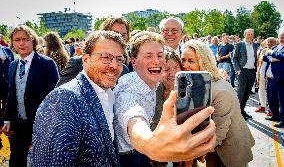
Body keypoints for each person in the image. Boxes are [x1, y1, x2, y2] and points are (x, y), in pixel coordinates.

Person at [31, 31, 216, 166]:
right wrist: (151, 145)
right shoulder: (64, 99)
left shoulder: (111, 90)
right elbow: (132, 113)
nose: (113, 65)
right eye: (105, 57)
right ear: (85, 60)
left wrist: (215, 76)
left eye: (119, 59)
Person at [114, 31, 216, 167]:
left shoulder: (154, 80)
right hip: (129, 157)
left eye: (159, 55)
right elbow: (133, 116)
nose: (156, 61)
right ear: (134, 61)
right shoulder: (126, 90)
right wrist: (151, 145)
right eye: (148, 56)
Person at [181, 40, 255, 167]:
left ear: (204, 61)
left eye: (191, 61)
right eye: (183, 60)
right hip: (213, 149)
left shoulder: (219, 91)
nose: (185, 65)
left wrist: (197, 153)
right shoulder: (197, 81)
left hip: (231, 150)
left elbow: (220, 131)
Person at [1, 25, 59, 167]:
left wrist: (52, 123)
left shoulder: (47, 64)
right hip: (18, 123)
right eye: (17, 40)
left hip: (41, 123)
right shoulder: (13, 65)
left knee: (42, 161)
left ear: (32, 40)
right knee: (16, 160)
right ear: (12, 43)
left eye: (25, 39)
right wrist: (7, 119)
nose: (21, 43)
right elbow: (11, 94)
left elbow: (55, 97)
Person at [56, 17, 131, 87]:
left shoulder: (124, 69)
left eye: (123, 35)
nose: (119, 38)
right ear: (103, 35)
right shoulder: (78, 63)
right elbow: (59, 94)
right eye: (114, 34)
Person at [150, 48, 182, 167]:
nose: (172, 73)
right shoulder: (153, 91)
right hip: (159, 146)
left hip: (183, 147)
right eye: (166, 69)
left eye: (176, 67)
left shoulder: (189, 91)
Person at [233, 28, 258, 120]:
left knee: (247, 93)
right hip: (242, 71)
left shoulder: (255, 45)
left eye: (252, 34)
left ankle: (242, 110)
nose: (250, 36)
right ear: (244, 35)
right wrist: (238, 69)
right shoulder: (240, 44)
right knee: (240, 93)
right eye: (248, 34)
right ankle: (237, 112)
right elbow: (234, 58)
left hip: (252, 71)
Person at [263, 31, 284, 128]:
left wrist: (272, 53)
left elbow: (282, 57)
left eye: (283, 37)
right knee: (272, 99)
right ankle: (275, 115)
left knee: (282, 100)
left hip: (280, 78)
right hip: (270, 78)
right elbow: (264, 57)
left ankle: (282, 120)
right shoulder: (275, 47)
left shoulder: (273, 50)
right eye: (280, 37)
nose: (281, 38)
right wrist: (272, 59)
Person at [255, 37, 276, 113]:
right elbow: (259, 60)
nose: (269, 44)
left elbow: (267, 59)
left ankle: (271, 109)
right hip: (260, 74)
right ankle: (262, 106)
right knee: (261, 90)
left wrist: (266, 57)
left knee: (270, 93)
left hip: (270, 75)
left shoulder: (275, 51)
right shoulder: (263, 50)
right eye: (268, 42)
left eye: (271, 42)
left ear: (275, 43)